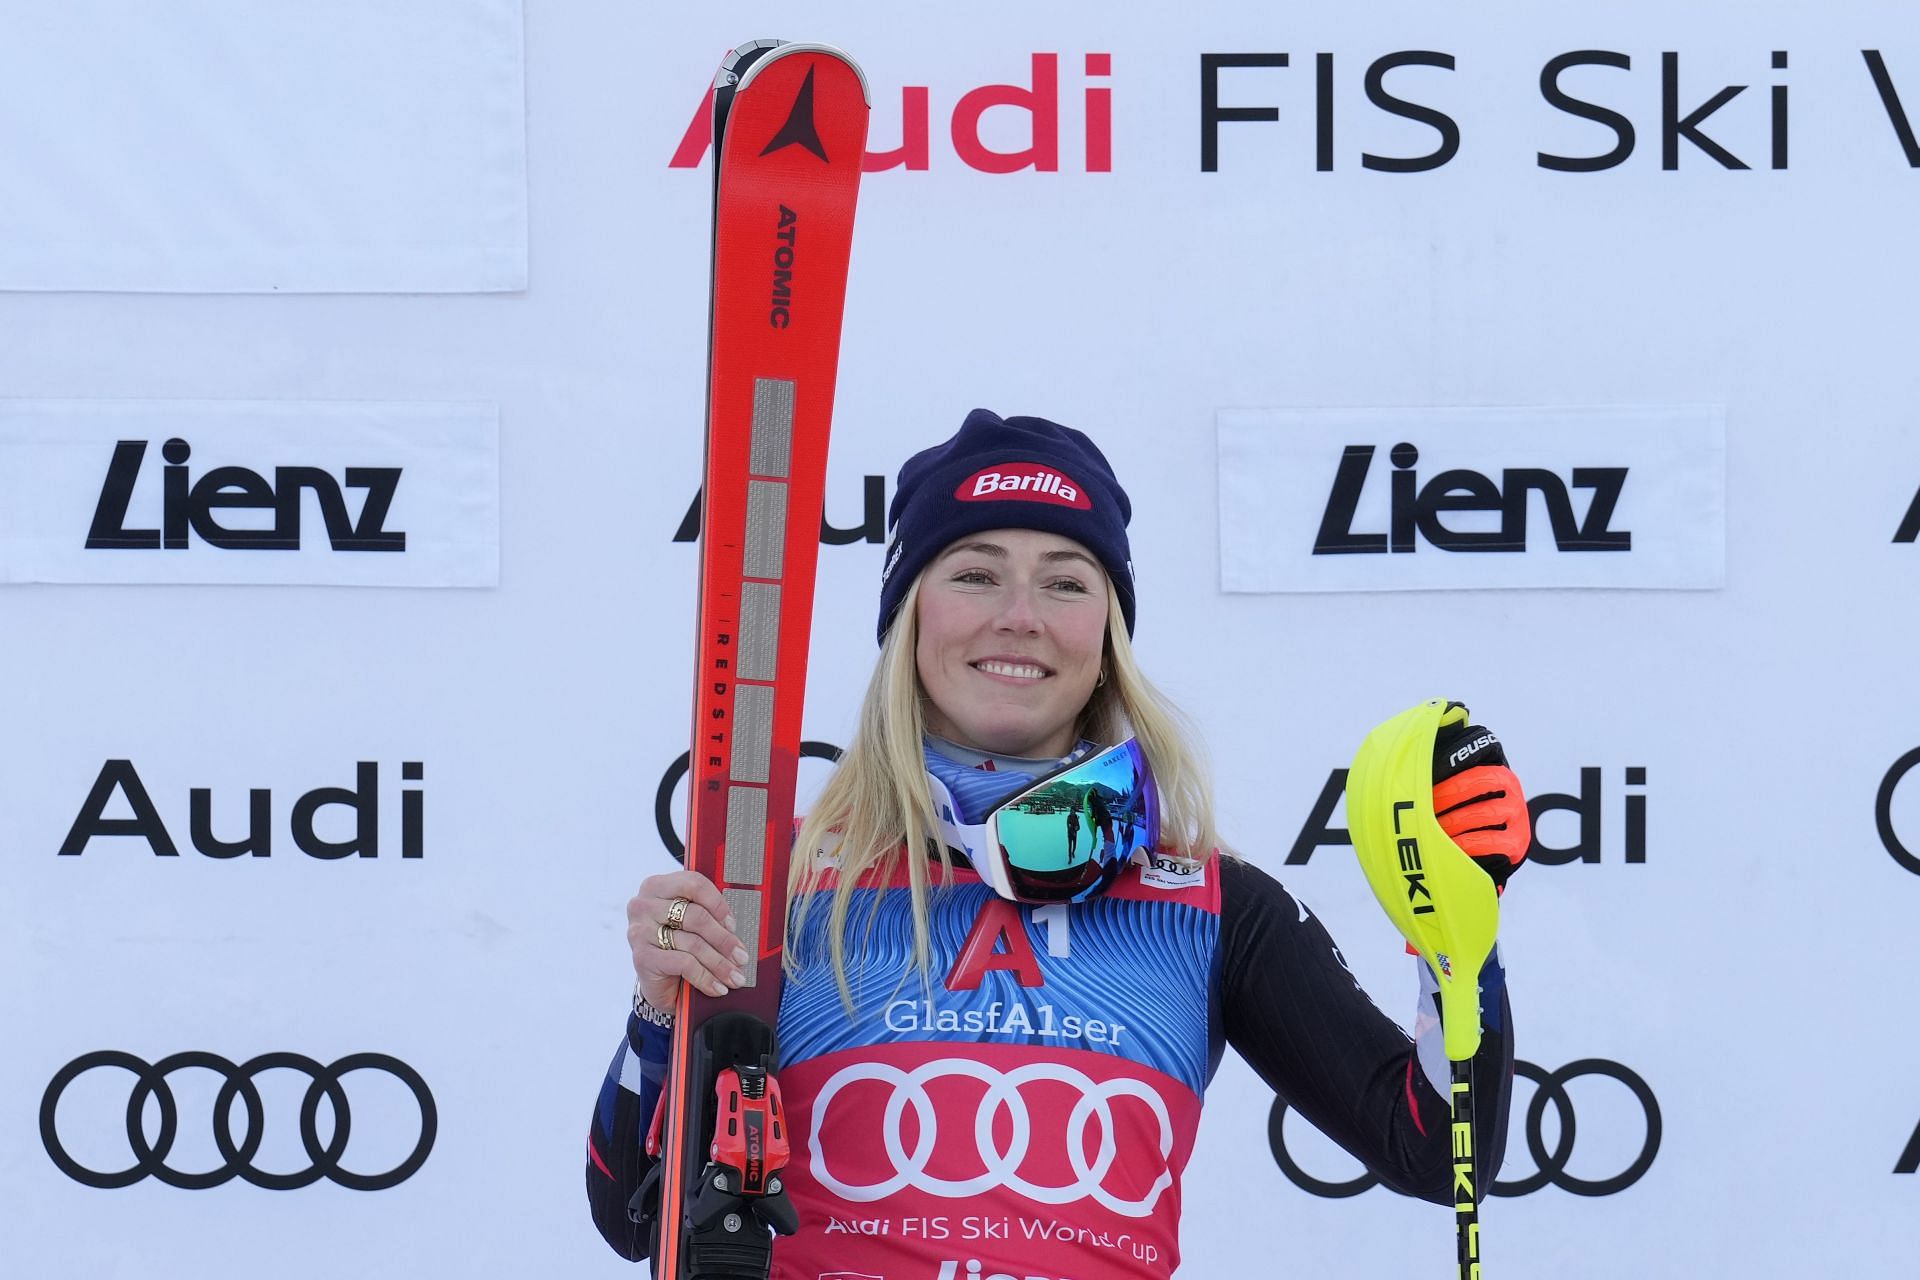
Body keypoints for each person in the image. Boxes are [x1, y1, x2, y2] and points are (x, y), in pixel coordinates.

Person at [587, 410, 1530, 1279]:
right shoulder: (779, 877)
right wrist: (660, 1011)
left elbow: (1433, 1149)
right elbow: (629, 1215)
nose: (1020, 616)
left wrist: (1460, 936)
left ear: (1106, 634)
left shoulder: (1208, 901)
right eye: (974, 572)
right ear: (909, 616)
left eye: (1065, 582)